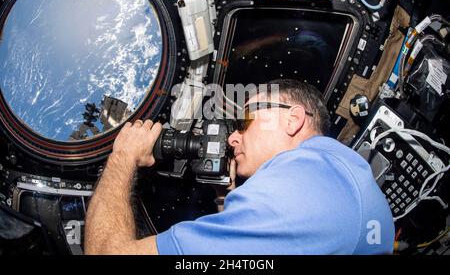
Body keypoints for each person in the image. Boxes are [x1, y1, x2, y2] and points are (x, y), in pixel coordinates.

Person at [84, 79, 394, 254]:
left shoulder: (290, 196)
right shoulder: (338, 176)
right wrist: (225, 198)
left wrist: (122, 157)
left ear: (293, 119)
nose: (233, 137)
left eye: (246, 121)